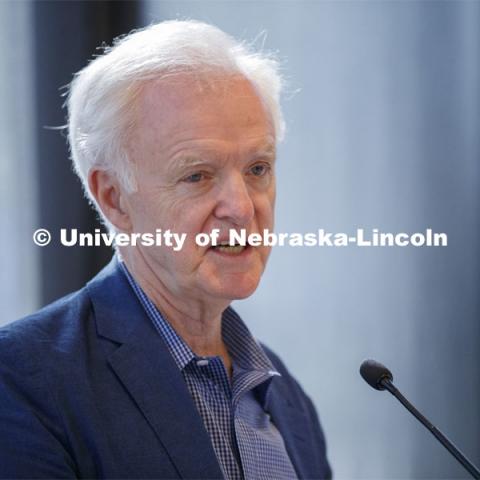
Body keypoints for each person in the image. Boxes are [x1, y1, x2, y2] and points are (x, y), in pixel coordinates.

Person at [0, 20, 331, 479]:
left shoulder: (286, 397)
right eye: (197, 175)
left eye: (258, 168)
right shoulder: (21, 380)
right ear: (114, 197)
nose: (240, 207)